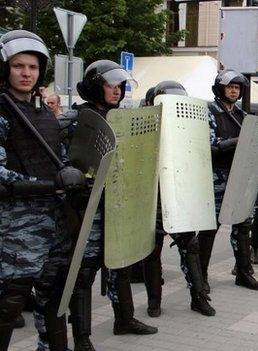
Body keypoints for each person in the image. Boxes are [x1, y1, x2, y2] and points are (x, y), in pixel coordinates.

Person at [61, 60, 158, 350]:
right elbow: (65, 161)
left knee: (121, 263)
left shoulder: (123, 118)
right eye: (109, 85)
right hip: (87, 208)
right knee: (86, 271)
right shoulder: (76, 120)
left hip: (117, 204)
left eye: (119, 86)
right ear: (94, 86)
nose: (115, 91)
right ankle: (82, 338)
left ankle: (124, 319)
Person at [0, 29, 82, 351]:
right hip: (16, 228)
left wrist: (77, 176)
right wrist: (52, 185)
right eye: (18, 65)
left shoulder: (43, 114)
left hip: (55, 224)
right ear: (5, 67)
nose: (26, 73)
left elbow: (58, 161)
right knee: (9, 304)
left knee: (54, 302)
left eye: (32, 67)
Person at [140, 80, 215, 318]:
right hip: (153, 198)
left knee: (190, 246)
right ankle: (154, 301)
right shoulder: (143, 123)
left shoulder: (186, 125)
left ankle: (199, 297)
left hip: (178, 195)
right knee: (152, 251)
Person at [207, 69, 258, 291]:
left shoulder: (242, 115)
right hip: (217, 177)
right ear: (221, 88)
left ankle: (243, 272)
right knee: (210, 228)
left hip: (238, 176)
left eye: (237, 87)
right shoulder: (210, 111)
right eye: (230, 86)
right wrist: (239, 140)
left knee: (243, 225)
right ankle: (200, 276)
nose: (233, 90)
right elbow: (211, 145)